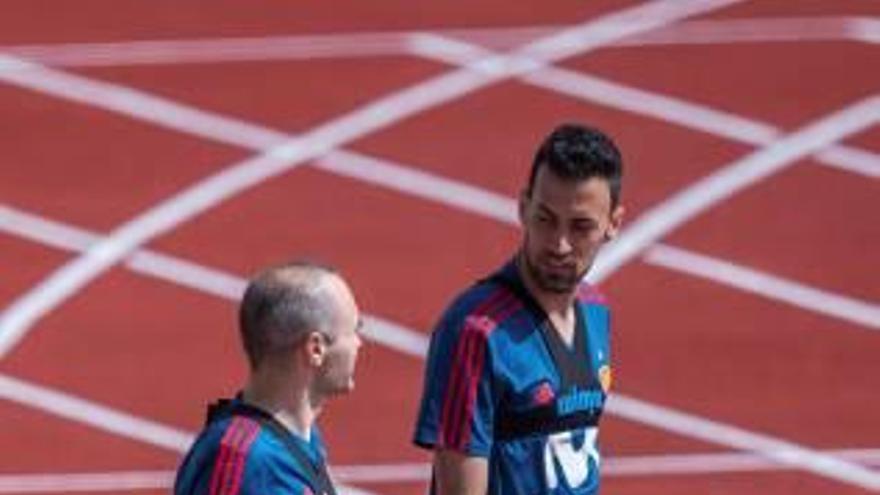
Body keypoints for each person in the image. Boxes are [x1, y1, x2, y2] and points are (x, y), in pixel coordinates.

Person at [413, 123, 624, 495]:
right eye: (545, 219)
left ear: (613, 225)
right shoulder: (477, 331)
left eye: (580, 227)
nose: (559, 244)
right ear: (523, 207)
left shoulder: (595, 310)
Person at [175, 262, 363, 495]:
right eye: (355, 330)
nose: (358, 343)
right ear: (316, 349)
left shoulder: (300, 434)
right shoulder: (245, 459)